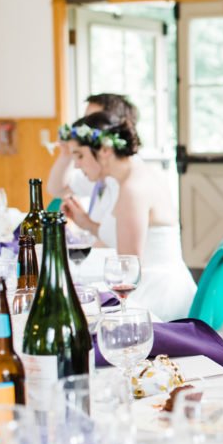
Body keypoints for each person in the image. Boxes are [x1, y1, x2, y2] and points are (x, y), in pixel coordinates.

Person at [59, 112, 195, 320]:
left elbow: (128, 271)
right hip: (165, 285)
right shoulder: (136, 175)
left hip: (157, 296)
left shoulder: (133, 189)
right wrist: (86, 223)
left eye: (79, 155)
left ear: (104, 150)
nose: (76, 165)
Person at [49, 93, 138, 248]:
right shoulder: (100, 172)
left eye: (93, 119)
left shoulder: (128, 180)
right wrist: (68, 154)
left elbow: (126, 252)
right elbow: (57, 190)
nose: (85, 126)